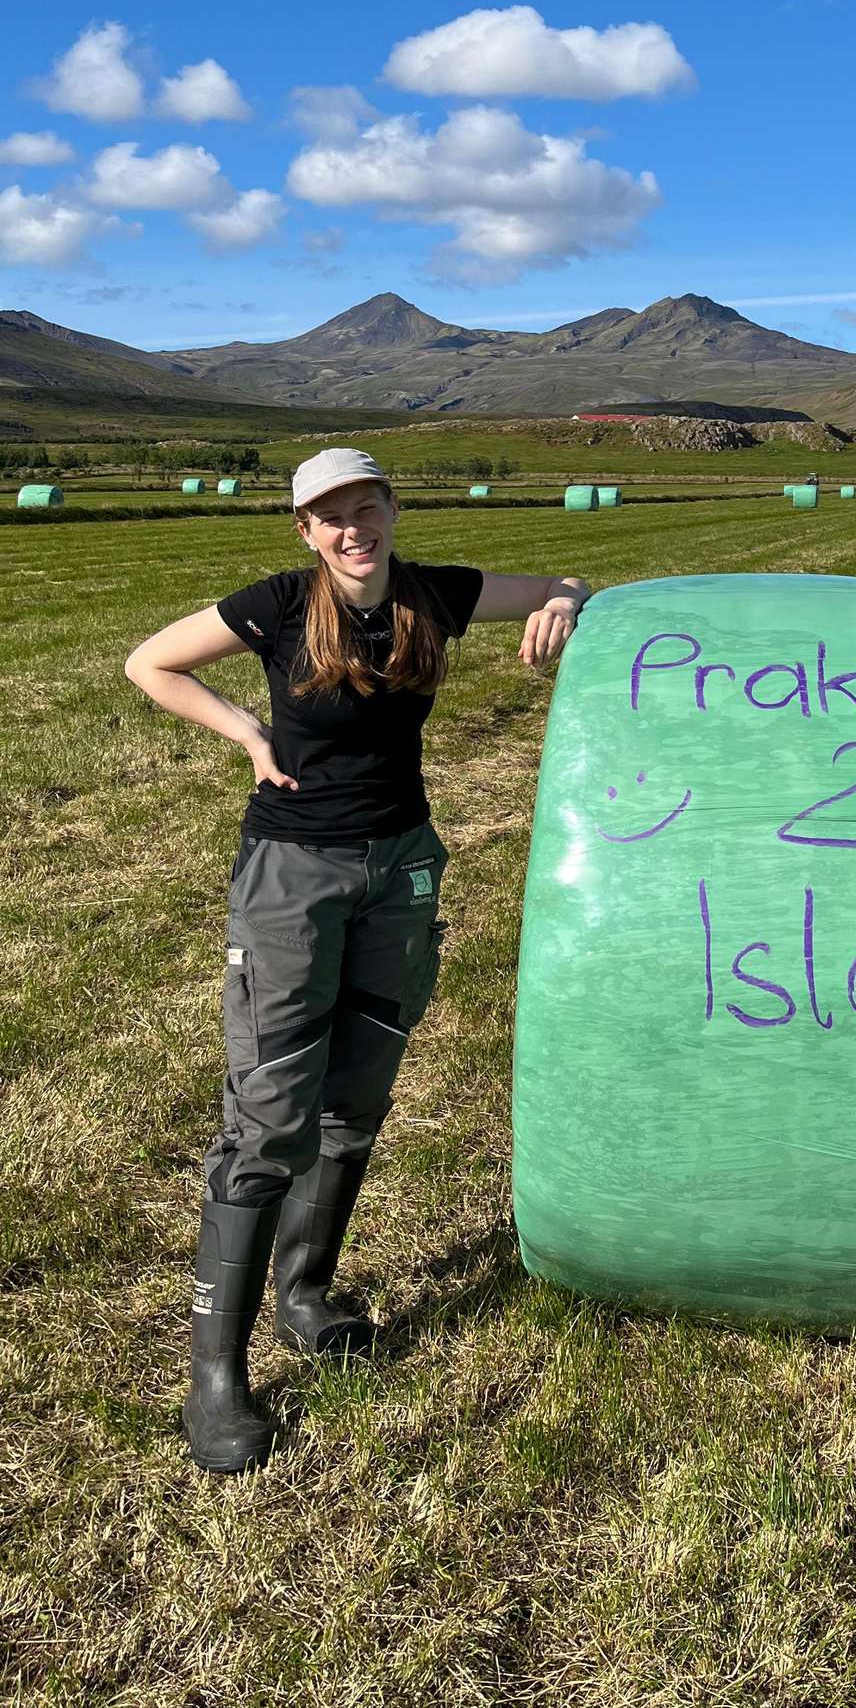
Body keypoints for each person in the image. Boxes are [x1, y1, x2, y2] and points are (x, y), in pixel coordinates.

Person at [125, 447, 593, 1472]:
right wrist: (246, 731)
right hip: (292, 872)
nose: (351, 528)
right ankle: (217, 1379)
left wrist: (565, 599)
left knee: (357, 1095)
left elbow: (568, 582)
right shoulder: (280, 604)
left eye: (365, 506)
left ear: (390, 508)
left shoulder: (434, 592)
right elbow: (150, 661)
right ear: (305, 529)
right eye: (329, 515)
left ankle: (305, 1294)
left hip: (403, 867)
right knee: (268, 1117)